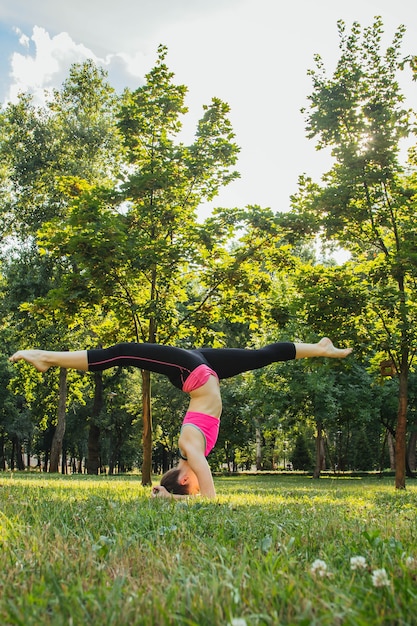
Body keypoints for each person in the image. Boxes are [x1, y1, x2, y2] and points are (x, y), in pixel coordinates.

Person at [9, 337, 352, 499]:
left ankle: (44, 355)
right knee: (263, 356)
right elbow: (202, 485)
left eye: (197, 485)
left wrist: (182, 500)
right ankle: (320, 349)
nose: (203, 481)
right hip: (204, 369)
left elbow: (207, 486)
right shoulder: (195, 451)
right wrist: (172, 498)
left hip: (193, 370)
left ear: (186, 480)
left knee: (120, 353)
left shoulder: (189, 447)